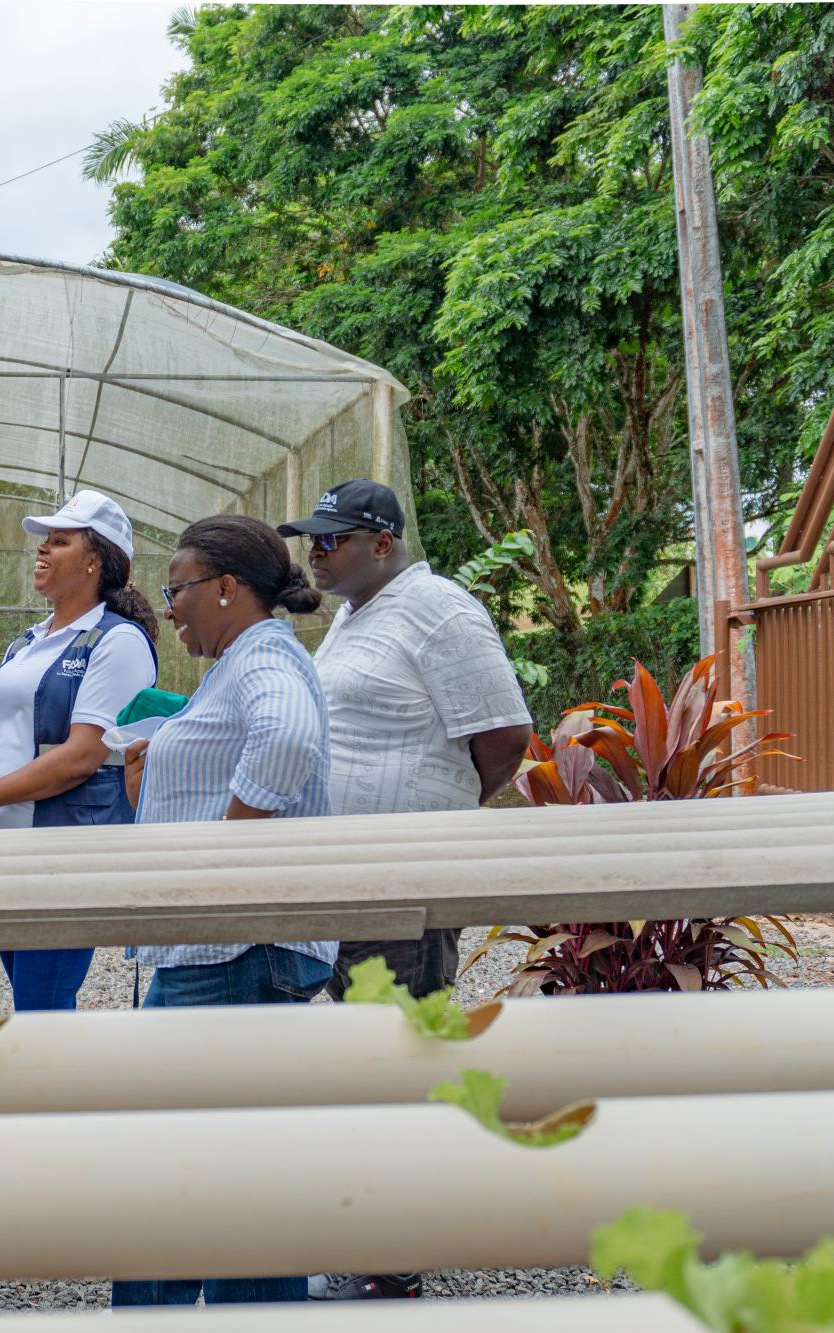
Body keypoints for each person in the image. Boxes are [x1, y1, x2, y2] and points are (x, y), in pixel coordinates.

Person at [279, 478, 532, 1304]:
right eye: (310, 540)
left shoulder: (442, 612)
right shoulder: (354, 617)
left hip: (407, 882)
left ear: (382, 542)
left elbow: (504, 737)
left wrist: (434, 813)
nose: (314, 552)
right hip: (352, 880)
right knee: (363, 1057)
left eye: (331, 539)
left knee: (396, 1058)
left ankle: (395, 1269)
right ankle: (370, 1240)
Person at [114, 513, 334, 1312]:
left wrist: (222, 857)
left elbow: (286, 742)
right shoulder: (238, 664)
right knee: (187, 1170)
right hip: (211, 949)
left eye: (176, 590)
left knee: (217, 1177)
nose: (168, 607)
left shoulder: (264, 657)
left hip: (236, 950)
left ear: (227, 588)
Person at [0, 489, 158, 1011]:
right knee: (29, 996)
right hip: (6, 847)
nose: (41, 549)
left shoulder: (118, 641)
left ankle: (51, 1091)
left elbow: (83, 754)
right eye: (43, 540)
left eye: (58, 541)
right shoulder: (29, 640)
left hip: (62, 854)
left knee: (42, 1005)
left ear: (95, 560)